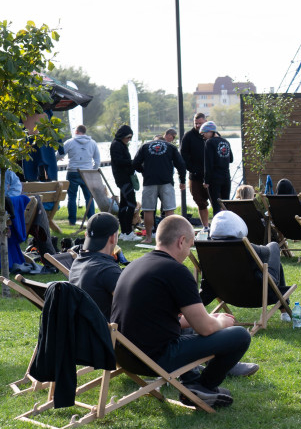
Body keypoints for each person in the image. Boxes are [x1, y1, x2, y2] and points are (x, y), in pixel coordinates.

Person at [110, 215, 252, 408]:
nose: (188, 252)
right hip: (154, 359)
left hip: (124, 356)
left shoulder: (134, 265)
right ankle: (204, 386)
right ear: (181, 241)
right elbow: (204, 329)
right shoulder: (176, 271)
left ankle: (192, 382)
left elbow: (157, 318)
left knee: (190, 327)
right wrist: (220, 322)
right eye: (190, 245)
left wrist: (209, 319)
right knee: (240, 336)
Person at [133, 130, 187, 238]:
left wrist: (144, 171)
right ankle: (169, 236)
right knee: (169, 210)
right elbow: (181, 164)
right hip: (166, 181)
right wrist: (182, 180)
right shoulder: (171, 147)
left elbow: (135, 163)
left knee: (148, 210)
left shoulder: (145, 146)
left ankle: (148, 237)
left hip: (149, 181)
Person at [69, 212, 123, 318]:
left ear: (86, 235)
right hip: (103, 332)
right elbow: (129, 305)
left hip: (82, 329)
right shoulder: (107, 270)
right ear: (113, 238)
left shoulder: (77, 262)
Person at [63, 124, 101, 226]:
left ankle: (72, 221)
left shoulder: (70, 142)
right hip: (87, 173)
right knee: (89, 197)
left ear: (76, 132)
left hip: (73, 172)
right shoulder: (93, 143)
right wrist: (92, 170)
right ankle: (91, 219)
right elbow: (97, 161)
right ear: (84, 132)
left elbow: (59, 154)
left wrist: (59, 158)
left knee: (71, 197)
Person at [110, 125, 142, 241]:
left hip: (123, 178)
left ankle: (124, 232)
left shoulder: (119, 145)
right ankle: (128, 231)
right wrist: (132, 162)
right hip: (123, 178)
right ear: (122, 136)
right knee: (131, 204)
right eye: (128, 137)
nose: (128, 140)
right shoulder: (117, 145)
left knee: (124, 205)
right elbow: (119, 161)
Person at [181, 112, 210, 230]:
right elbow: (183, 155)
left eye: (201, 123)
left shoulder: (212, 135)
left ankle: (219, 226)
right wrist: (193, 169)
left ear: (206, 122)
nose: (198, 126)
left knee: (217, 202)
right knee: (200, 202)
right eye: (196, 123)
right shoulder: (188, 136)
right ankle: (206, 226)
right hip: (195, 176)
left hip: (211, 176)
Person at [201, 121, 233, 215]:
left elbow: (208, 163)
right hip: (226, 177)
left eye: (204, 133)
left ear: (210, 132)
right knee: (226, 204)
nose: (203, 136)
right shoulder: (226, 141)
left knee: (216, 205)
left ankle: (217, 228)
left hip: (215, 178)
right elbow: (231, 159)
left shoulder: (209, 142)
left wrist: (206, 180)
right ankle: (228, 226)